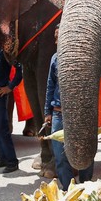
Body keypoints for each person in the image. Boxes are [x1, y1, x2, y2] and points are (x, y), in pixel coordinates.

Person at [42, 28, 72, 185]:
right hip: (58, 113)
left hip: (77, 114)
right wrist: (48, 112)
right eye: (55, 38)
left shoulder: (79, 55)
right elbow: (50, 86)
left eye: (58, 38)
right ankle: (67, 189)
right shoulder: (55, 58)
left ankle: (86, 185)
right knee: (60, 156)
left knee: (82, 152)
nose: (55, 42)